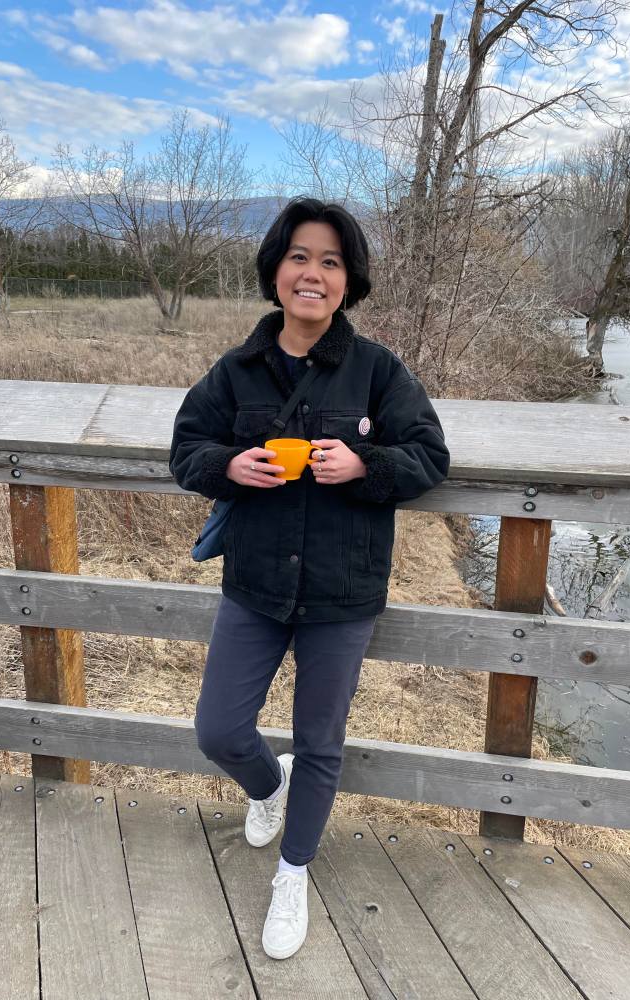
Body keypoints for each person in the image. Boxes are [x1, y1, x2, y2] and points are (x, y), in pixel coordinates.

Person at [169, 197, 449, 960]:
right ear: (275, 268)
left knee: (319, 740)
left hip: (342, 591)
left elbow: (430, 456)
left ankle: (293, 872)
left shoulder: (377, 371)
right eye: (299, 257)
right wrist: (226, 464)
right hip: (254, 583)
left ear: (348, 280)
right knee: (219, 728)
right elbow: (185, 446)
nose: (313, 273)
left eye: (330, 261)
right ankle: (267, 787)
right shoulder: (237, 370)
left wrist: (368, 464)